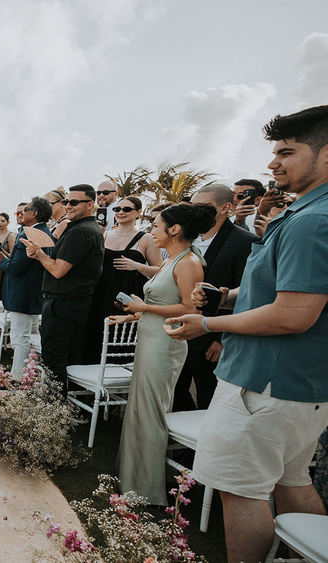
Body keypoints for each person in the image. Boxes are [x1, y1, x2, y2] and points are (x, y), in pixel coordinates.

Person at [165, 105, 328, 562]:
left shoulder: (313, 220)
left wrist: (208, 323)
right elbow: (281, 291)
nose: (273, 163)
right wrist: (227, 295)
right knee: (291, 480)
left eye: (287, 152)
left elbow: (294, 313)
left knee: (239, 489)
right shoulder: (306, 214)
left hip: (264, 383)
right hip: (299, 386)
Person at [109, 203, 213, 505]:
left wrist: (144, 307)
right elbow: (160, 304)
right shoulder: (171, 260)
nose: (152, 230)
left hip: (166, 345)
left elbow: (190, 309)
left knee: (152, 411)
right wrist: (131, 315)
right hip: (150, 339)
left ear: (175, 229)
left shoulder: (190, 262)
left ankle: (147, 489)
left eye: (156, 225)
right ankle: (132, 477)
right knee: (140, 409)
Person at [171, 184, 258, 411]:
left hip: (212, 337)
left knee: (208, 395)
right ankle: (183, 445)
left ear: (225, 208)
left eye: (204, 206)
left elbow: (246, 293)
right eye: (194, 206)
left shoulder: (244, 241)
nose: (197, 211)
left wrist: (221, 338)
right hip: (183, 331)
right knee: (177, 391)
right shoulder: (189, 239)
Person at [21, 184, 105, 389]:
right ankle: (70, 410)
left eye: (75, 202)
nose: (68, 206)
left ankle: (54, 410)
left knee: (53, 358)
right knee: (71, 356)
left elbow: (58, 270)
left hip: (64, 303)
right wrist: (41, 254)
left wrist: (39, 253)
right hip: (74, 302)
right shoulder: (83, 229)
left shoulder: (82, 232)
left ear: (90, 205)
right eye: (67, 201)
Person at [79, 196, 162, 363]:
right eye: (117, 209)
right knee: (96, 331)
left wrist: (137, 266)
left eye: (126, 209)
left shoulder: (145, 238)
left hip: (127, 294)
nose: (120, 212)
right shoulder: (106, 235)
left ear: (139, 212)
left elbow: (159, 271)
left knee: (122, 334)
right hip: (101, 291)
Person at [0, 197, 54, 377]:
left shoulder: (28, 235)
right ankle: (32, 374)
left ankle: (17, 378)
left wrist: (1, 260)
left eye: (25, 210)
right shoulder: (45, 233)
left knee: (20, 337)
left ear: (34, 213)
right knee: (31, 335)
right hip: (35, 292)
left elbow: (15, 268)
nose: (21, 213)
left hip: (21, 294)